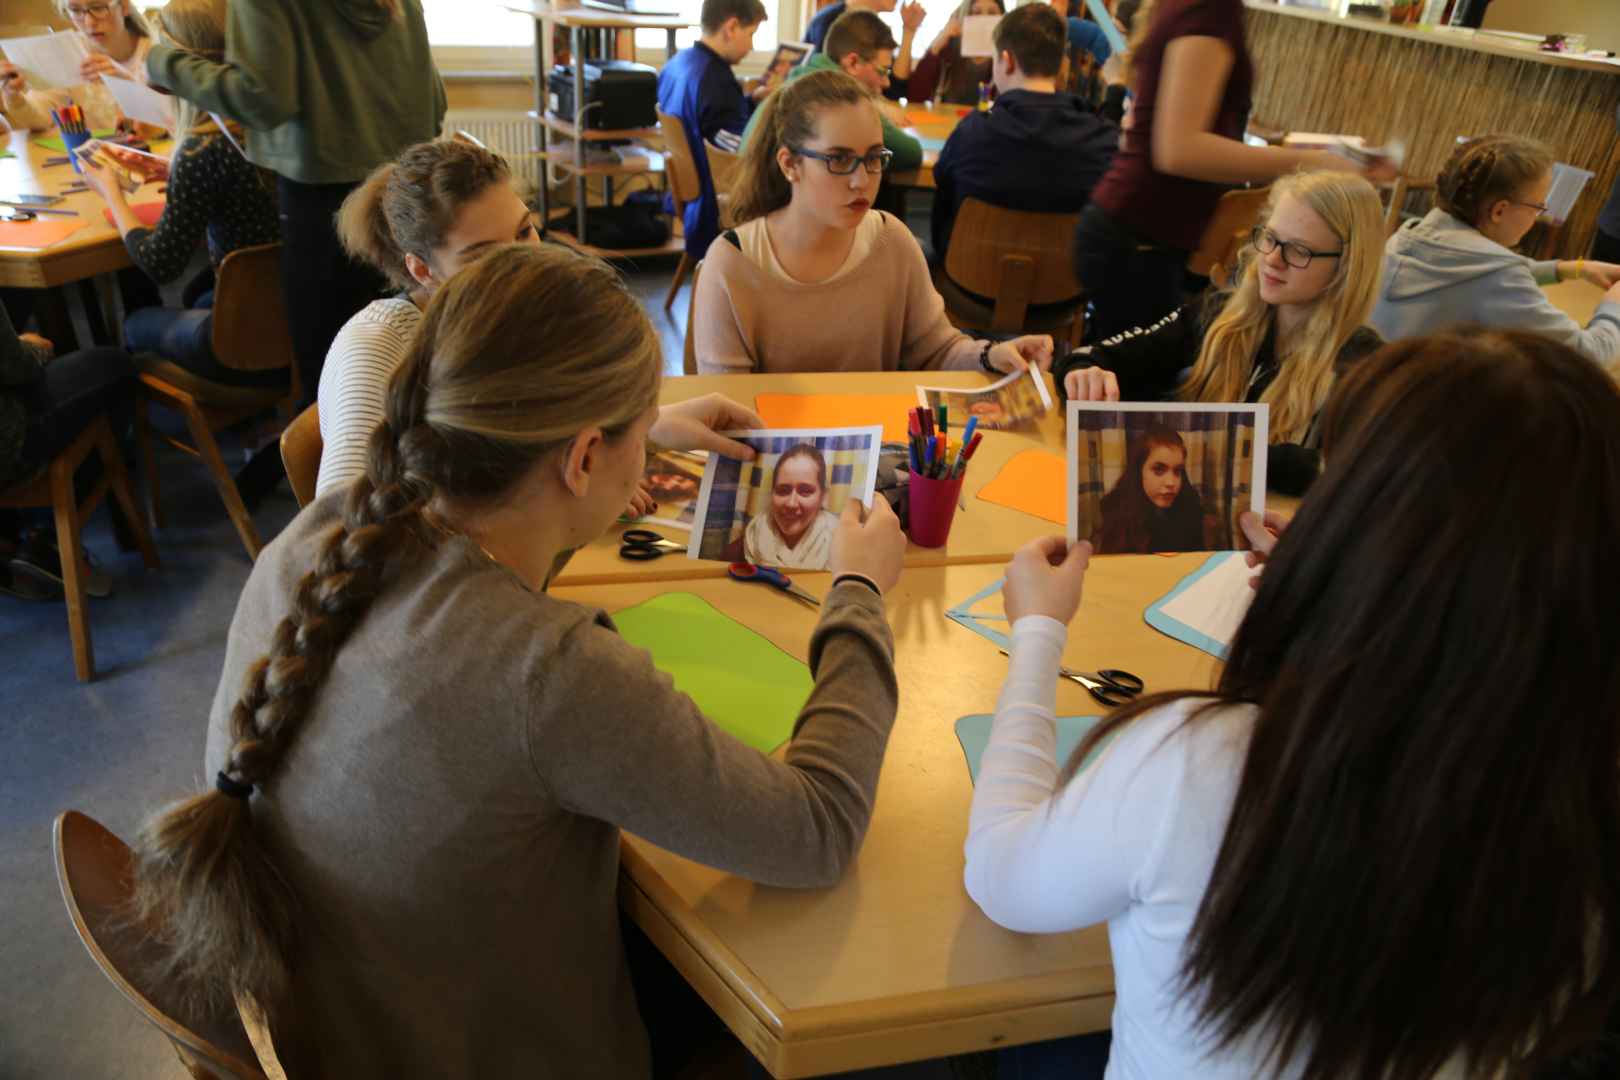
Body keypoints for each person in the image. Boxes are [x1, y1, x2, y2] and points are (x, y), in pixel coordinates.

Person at [128, 242, 908, 1076]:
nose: (645, 450)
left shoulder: (324, 535)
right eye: (637, 436)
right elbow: (818, 829)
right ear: (580, 459)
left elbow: (505, 549)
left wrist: (640, 436)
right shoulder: (551, 674)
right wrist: (858, 589)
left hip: (356, 1023)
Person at [968, 329, 1620, 1078]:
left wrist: (1038, 632)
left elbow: (1001, 875)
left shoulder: (1206, 763)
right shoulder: (1583, 825)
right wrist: (1351, 601)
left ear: (1362, 526)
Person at [144, 0, 447, 413]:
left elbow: (264, 101)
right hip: (402, 183)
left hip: (321, 204)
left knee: (331, 380)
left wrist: (161, 63)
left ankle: (326, 471)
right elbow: (435, 101)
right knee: (400, 359)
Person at [701, 70, 1053, 376]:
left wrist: (992, 355)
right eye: (838, 159)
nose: (861, 180)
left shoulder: (892, 241)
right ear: (790, 164)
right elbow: (731, 406)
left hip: (873, 448)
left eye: (873, 158)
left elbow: (937, 351)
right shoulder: (732, 263)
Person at [1058, 171, 1386, 496]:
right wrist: (1083, 373)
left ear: (1346, 267)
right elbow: (1099, 357)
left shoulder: (1363, 365)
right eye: (1270, 238)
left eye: (1299, 250)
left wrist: (1210, 448)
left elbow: (1348, 472)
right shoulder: (1220, 313)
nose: (1272, 260)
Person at [1075, 0, 1379, 343]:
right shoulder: (1208, 10)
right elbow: (1178, 150)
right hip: (1138, 237)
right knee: (1122, 381)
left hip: (1142, 232)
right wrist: (1312, 162)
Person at [315, 137, 539, 500]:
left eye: (525, 231)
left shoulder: (498, 317)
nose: (524, 264)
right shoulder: (378, 346)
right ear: (422, 269)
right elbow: (336, 524)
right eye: (485, 256)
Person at [78, 0, 282, 389]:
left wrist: (112, 195)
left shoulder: (198, 153)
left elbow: (160, 263)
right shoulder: (267, 128)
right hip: (291, 316)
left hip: (241, 342)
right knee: (196, 291)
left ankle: (137, 429)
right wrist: (172, 170)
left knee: (137, 322)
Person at [1370, 135, 1620, 365]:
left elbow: (1478, 275)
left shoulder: (1408, 237)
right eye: (1538, 207)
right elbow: (1585, 357)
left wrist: (1568, 269)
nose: (1537, 217)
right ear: (1499, 211)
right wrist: (1613, 306)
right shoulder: (1498, 277)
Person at [931, 2, 1115, 264]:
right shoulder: (1102, 139)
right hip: (1063, 295)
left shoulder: (972, 132)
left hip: (971, 284)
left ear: (1006, 61)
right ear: (1060, 67)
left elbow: (943, 190)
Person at [0, 294, 134, 601]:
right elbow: (17, 367)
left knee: (20, 299)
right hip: (9, 446)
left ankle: (6, 539)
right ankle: (51, 541)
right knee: (118, 367)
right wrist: (32, 346)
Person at [743, 10, 923, 177]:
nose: (886, 82)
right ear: (852, 63)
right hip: (781, 207)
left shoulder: (802, 78)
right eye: (883, 71)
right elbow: (911, 153)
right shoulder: (839, 96)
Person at [657, 0, 769, 264]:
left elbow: (711, 123)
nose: (751, 46)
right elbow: (739, 148)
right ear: (731, 27)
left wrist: (751, 102)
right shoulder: (716, 80)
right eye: (751, 34)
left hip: (690, 196)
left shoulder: (678, 64)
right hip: (713, 203)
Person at [0, 0, 168, 135]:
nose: (89, 22)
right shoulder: (69, 51)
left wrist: (125, 83)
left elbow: (175, 123)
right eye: (75, 10)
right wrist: (14, 96)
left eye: (98, 8)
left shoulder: (160, 53)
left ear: (124, 6)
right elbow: (39, 119)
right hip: (97, 162)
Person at [1091, 424, 1210, 554]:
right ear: (1138, 471)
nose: (1171, 482)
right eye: (1159, 470)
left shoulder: (1190, 508)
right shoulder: (1115, 509)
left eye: (1177, 471)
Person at [732, 443, 841, 569]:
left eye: (805, 491)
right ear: (772, 493)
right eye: (783, 491)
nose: (791, 503)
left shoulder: (844, 547)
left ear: (822, 496)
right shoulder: (745, 544)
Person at [804, 0, 923, 102]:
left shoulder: (875, 27)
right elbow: (824, 89)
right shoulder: (826, 21)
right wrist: (877, 108)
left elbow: (893, 92)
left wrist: (909, 30)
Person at [907, 0, 1003, 106]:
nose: (984, 19)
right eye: (976, 13)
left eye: (992, 14)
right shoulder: (947, 54)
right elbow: (914, 97)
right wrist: (938, 44)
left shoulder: (1008, 61)